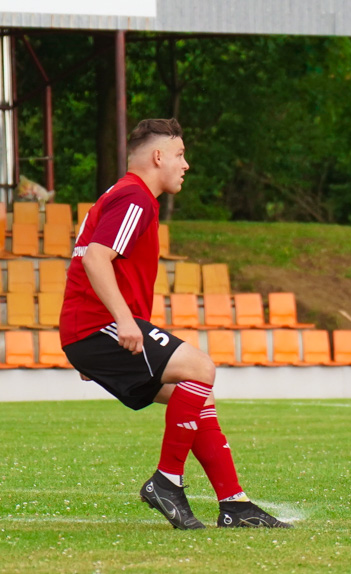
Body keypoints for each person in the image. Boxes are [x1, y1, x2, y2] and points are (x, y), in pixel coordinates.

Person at [60, 118, 290, 530]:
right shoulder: (136, 198)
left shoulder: (124, 196)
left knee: (198, 397)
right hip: (96, 326)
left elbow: (80, 261)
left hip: (90, 330)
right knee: (201, 368)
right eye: (180, 155)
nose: (186, 164)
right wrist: (121, 323)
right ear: (158, 157)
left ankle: (234, 505)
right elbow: (95, 258)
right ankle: (166, 482)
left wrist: (86, 345)